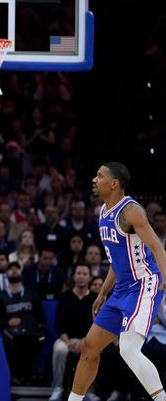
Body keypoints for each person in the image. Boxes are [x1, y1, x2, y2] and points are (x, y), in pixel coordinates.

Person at [69, 163, 166, 401]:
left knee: (129, 349)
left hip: (144, 285)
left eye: (99, 175)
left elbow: (156, 246)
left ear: (114, 183)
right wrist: (103, 292)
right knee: (89, 347)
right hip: (120, 289)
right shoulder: (103, 211)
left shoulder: (131, 210)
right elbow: (117, 259)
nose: (94, 179)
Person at [49, 263, 96, 401]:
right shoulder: (65, 297)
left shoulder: (95, 298)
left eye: (84, 274)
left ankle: (89, 391)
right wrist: (68, 342)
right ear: (73, 277)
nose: (81, 277)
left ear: (90, 277)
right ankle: (58, 388)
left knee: (93, 351)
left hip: (88, 340)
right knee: (59, 350)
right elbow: (59, 325)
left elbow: (97, 325)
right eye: (78, 274)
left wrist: (84, 342)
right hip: (66, 339)